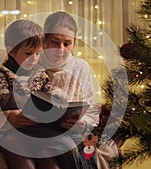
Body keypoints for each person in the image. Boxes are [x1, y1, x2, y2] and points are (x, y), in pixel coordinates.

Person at [0, 19, 61, 169]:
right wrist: (29, 100)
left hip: (37, 131)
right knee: (23, 159)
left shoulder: (41, 74)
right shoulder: (0, 73)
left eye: (38, 53)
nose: (34, 59)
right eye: (28, 54)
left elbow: (50, 98)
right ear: (11, 51)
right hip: (9, 133)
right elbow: (0, 100)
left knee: (51, 162)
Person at [29, 11, 101, 168]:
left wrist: (83, 123)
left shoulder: (81, 67)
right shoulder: (31, 62)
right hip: (38, 130)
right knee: (67, 144)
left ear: (74, 43)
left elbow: (92, 111)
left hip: (71, 131)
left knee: (88, 146)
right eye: (55, 42)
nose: (60, 49)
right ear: (45, 40)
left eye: (67, 44)